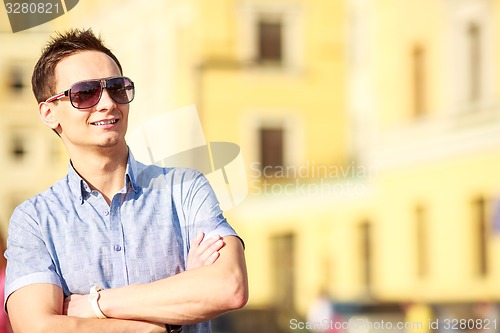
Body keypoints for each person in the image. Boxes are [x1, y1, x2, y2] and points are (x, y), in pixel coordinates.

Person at [4, 28, 248, 333]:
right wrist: (167, 314)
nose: (107, 103)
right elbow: (37, 328)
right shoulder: (35, 220)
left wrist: (93, 305)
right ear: (49, 112)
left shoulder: (185, 189)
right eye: (85, 93)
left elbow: (229, 286)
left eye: (117, 88)